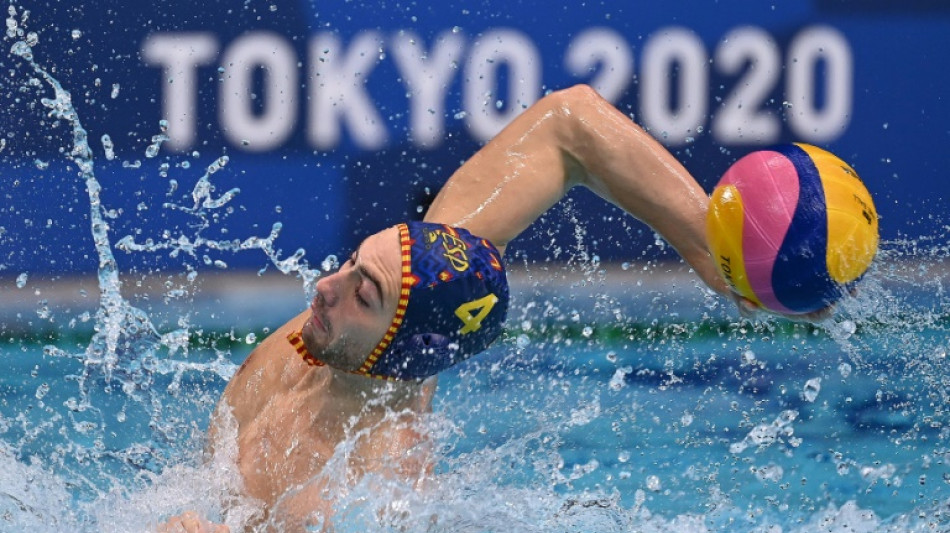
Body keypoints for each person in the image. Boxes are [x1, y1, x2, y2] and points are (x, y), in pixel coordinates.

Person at [157, 84, 743, 532]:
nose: (325, 286)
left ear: (402, 353)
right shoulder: (406, 277)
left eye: (363, 294)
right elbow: (570, 124)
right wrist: (710, 248)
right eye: (353, 260)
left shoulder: (377, 481)